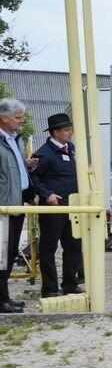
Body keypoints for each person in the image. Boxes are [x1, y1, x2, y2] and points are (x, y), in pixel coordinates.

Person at [29, 113, 84, 298]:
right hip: (53, 208)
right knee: (48, 249)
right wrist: (47, 194)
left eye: (70, 129)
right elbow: (34, 178)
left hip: (72, 206)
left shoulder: (72, 149)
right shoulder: (44, 153)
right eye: (67, 130)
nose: (71, 133)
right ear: (56, 132)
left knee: (73, 246)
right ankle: (50, 289)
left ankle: (69, 284)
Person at [0, 98, 37, 313]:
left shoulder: (15, 139)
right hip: (4, 205)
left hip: (17, 202)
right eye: (18, 118)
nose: (21, 122)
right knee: (1, 254)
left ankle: (5, 297)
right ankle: (2, 300)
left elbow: (12, 167)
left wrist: (26, 164)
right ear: (4, 118)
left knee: (11, 252)